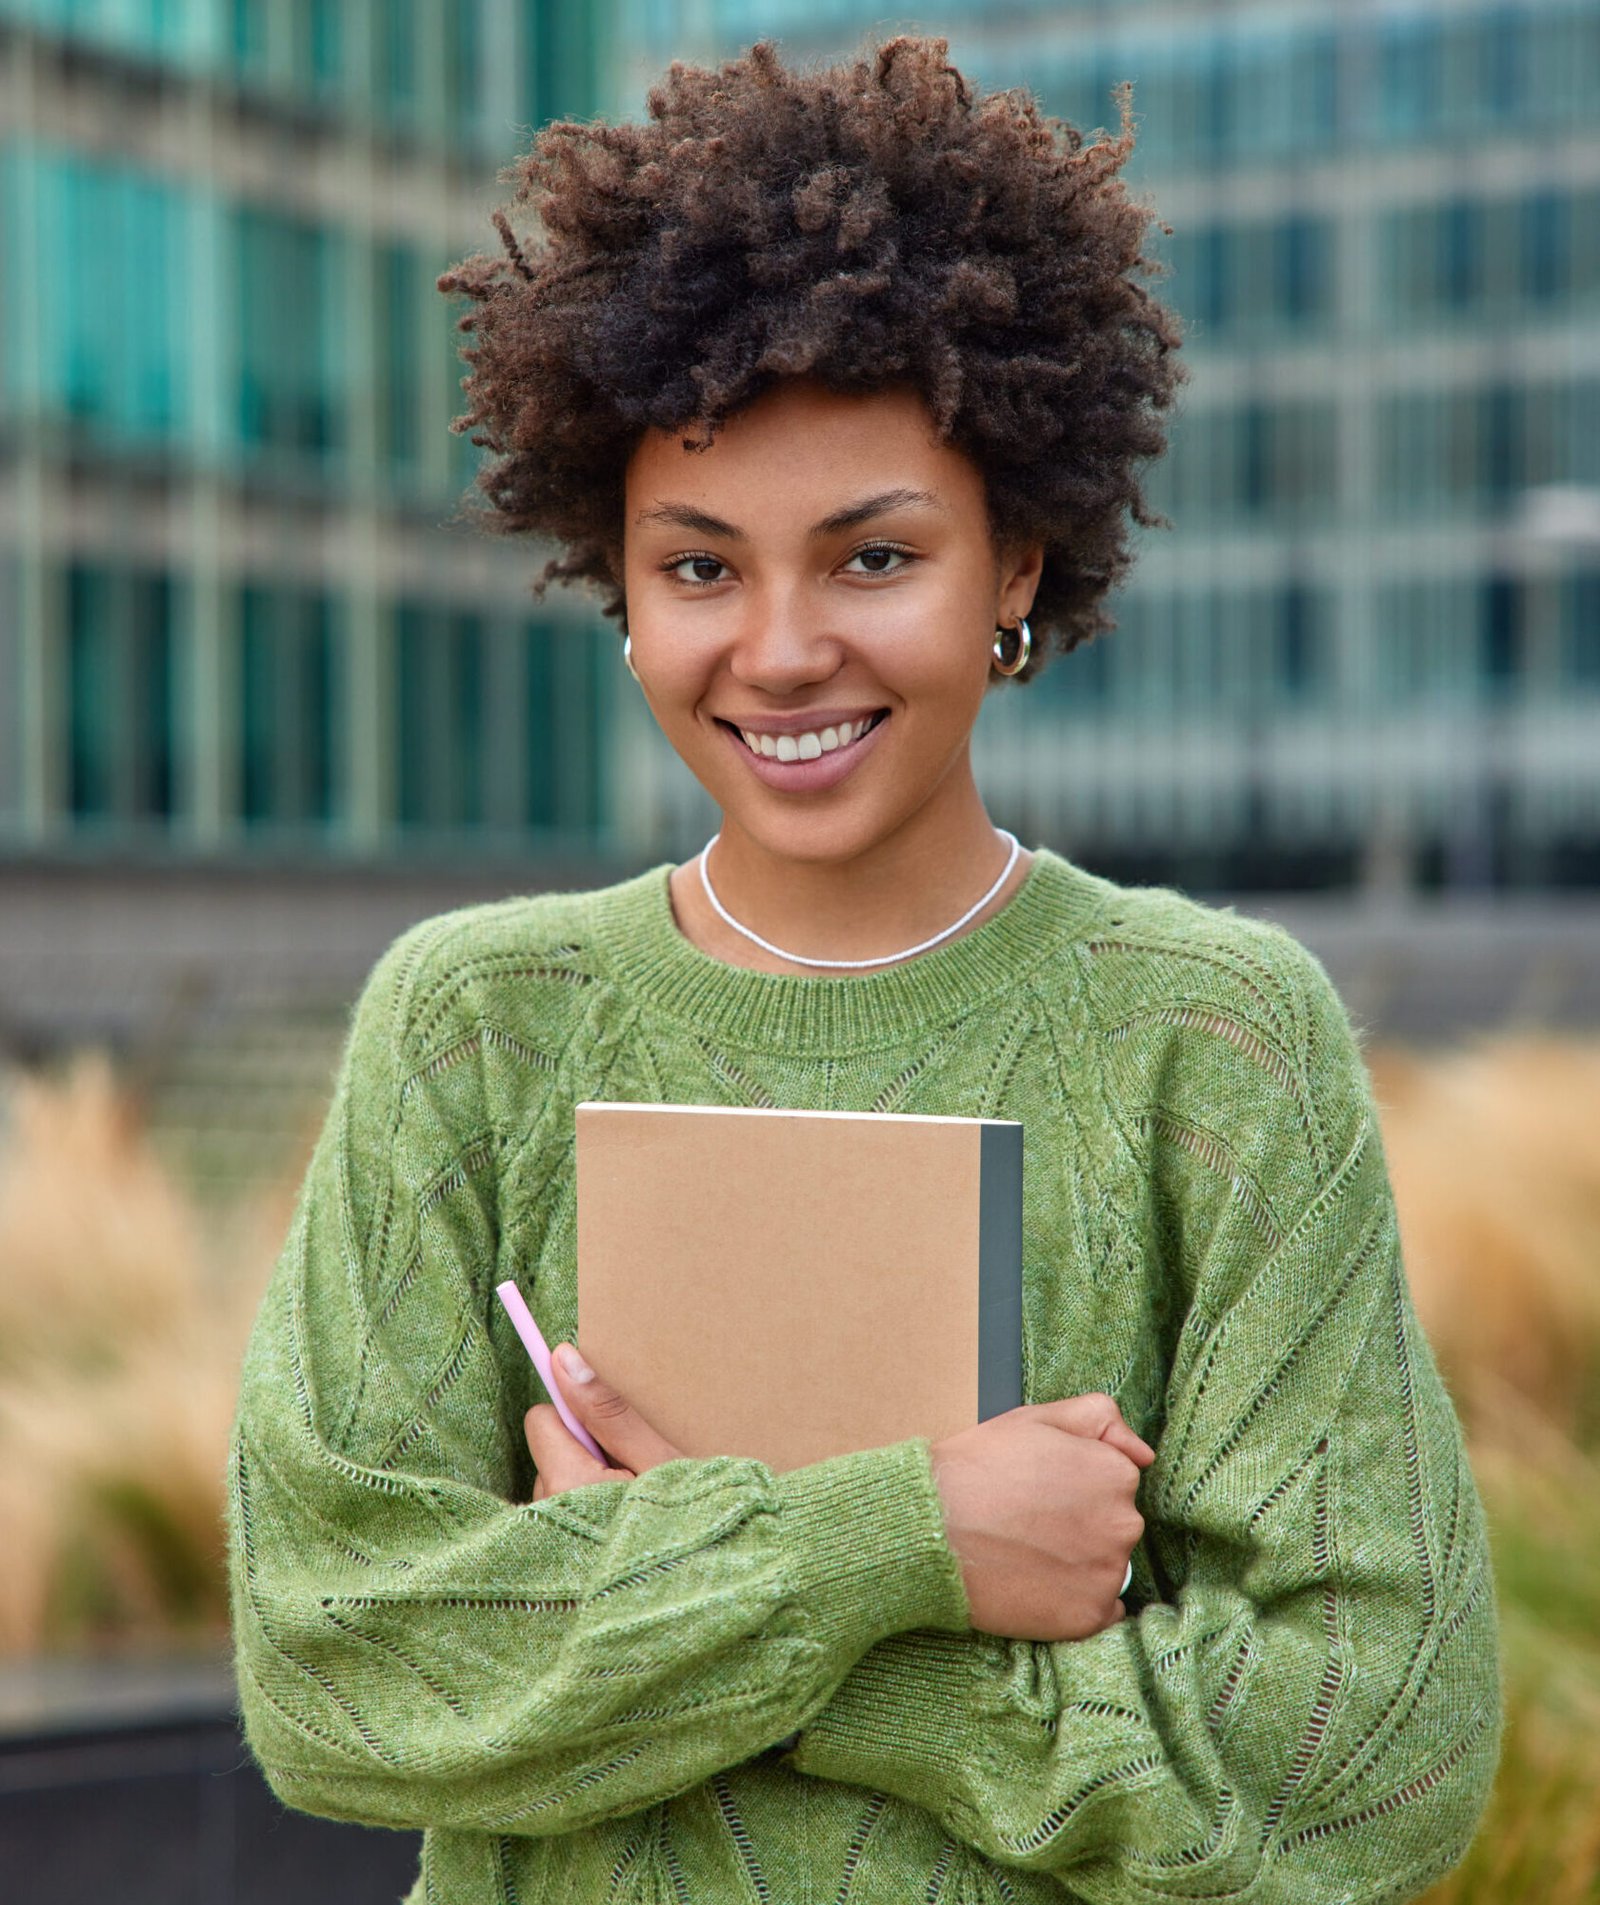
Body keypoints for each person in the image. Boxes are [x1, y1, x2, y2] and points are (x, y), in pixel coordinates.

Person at [227, 36, 1500, 1905]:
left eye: (874, 554)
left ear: (1017, 562)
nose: (783, 648)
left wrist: (694, 1612)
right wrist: (902, 1546)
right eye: (701, 568)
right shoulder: (474, 1024)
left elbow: (1374, 1756)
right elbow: (334, 1664)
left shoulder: (1212, 1040)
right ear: (621, 582)